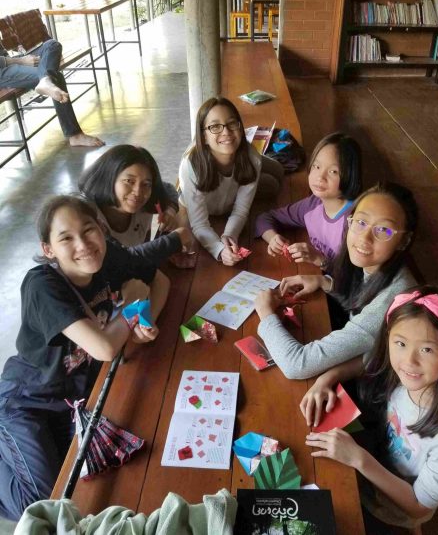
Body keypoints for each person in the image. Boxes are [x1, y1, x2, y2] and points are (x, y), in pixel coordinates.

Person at [0, 195, 170, 520]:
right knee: (43, 506)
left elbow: (160, 280)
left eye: (88, 230)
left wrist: (145, 317)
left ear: (100, 229)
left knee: (89, 478)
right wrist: (129, 310)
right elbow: (103, 348)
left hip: (73, 401)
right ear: (48, 249)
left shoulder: (108, 257)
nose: (83, 244)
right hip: (26, 400)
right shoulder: (42, 285)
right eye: (66, 238)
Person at [303, 286, 438, 531]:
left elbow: (418, 506)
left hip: (390, 510)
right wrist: (325, 379)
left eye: (426, 349)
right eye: (400, 343)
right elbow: (367, 363)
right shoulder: (405, 374)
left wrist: (359, 459)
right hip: (366, 457)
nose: (409, 361)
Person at [254, 181, 418, 379]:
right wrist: (325, 282)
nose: (365, 238)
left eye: (383, 230)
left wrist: (266, 313)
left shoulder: (391, 299)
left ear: (404, 241)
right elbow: (358, 303)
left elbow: (296, 365)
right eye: (361, 222)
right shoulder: (379, 268)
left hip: (376, 389)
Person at [178, 96, 284, 265]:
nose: (225, 131)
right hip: (208, 205)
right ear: (203, 135)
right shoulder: (190, 165)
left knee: (278, 173)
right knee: (271, 184)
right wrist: (219, 249)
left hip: (241, 162)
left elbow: (241, 211)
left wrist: (230, 235)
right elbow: (199, 224)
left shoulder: (251, 159)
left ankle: (260, 161)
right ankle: (256, 170)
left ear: (241, 127)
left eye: (232, 123)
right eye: (215, 126)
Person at [255, 132, 362, 273]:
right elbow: (266, 217)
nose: (320, 177)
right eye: (317, 167)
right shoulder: (313, 204)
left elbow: (358, 282)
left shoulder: (355, 222)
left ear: (351, 175)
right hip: (316, 279)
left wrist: (320, 260)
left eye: (333, 172)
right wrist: (273, 238)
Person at [79, 144, 194, 267]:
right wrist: (173, 241)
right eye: (129, 181)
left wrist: (170, 211)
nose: (138, 192)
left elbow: (168, 189)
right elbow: (121, 258)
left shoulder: (147, 198)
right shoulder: (86, 214)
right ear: (109, 177)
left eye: (146, 184)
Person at [0, 38, 103, 147]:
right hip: (3, 71)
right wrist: (21, 61)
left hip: (10, 61)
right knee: (56, 77)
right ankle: (75, 135)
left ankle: (45, 79)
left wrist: (20, 52)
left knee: (52, 45)